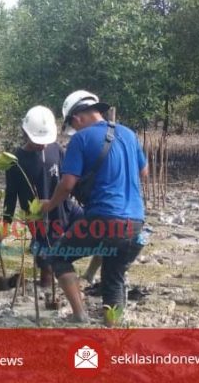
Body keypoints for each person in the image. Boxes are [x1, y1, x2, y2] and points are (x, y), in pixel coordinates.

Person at [40, 90, 148, 325]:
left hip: (105, 219)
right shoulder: (129, 134)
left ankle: (80, 316)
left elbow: (67, 184)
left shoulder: (81, 139)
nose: (74, 130)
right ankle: (113, 330)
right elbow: (144, 172)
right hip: (136, 222)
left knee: (58, 256)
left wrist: (49, 205)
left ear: (77, 118)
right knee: (114, 278)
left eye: (73, 125)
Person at [0, 105, 82, 287]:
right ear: (25, 133)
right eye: (37, 141)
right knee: (45, 261)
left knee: (99, 231)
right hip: (37, 218)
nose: (42, 144)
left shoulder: (56, 150)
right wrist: (4, 228)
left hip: (64, 210)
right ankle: (45, 291)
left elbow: (70, 181)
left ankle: (84, 277)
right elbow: (10, 197)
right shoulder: (15, 161)